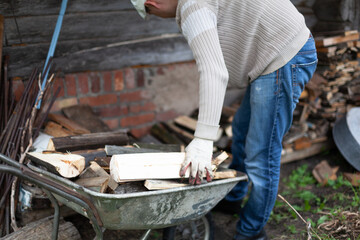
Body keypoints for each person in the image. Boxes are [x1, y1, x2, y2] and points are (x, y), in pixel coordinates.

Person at [129, 0, 318, 239]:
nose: (156, 16)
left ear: (152, 3)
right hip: (270, 52)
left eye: (150, 13)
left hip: (284, 53)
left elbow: (214, 71)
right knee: (241, 130)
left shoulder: (191, 6)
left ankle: (251, 232)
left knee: (262, 154)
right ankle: (234, 197)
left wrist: (203, 139)